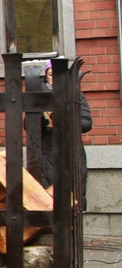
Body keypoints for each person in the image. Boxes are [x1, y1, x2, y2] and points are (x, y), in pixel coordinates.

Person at [39, 60, 93, 209]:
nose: (54, 78)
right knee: (47, 198)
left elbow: (87, 124)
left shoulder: (76, 95)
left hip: (71, 151)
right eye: (50, 74)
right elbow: (27, 125)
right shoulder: (39, 95)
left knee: (73, 197)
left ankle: (72, 229)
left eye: (57, 75)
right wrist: (39, 122)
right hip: (47, 151)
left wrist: (68, 120)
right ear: (46, 76)